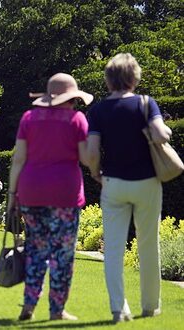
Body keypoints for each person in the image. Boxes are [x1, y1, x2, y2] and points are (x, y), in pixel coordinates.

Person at [87, 53, 171, 323]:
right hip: (147, 182)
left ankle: (118, 309)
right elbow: (160, 134)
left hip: (113, 182)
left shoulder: (98, 110)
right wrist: (165, 132)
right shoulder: (147, 104)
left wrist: (95, 172)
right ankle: (149, 306)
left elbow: (90, 152)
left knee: (112, 249)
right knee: (148, 245)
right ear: (135, 77)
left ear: (108, 79)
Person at [7, 73, 93, 321]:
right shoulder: (77, 120)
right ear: (69, 99)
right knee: (62, 255)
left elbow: (18, 159)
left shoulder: (28, 118)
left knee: (35, 251)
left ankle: (29, 305)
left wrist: (12, 194)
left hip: (31, 192)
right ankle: (57, 310)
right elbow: (86, 159)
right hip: (65, 194)